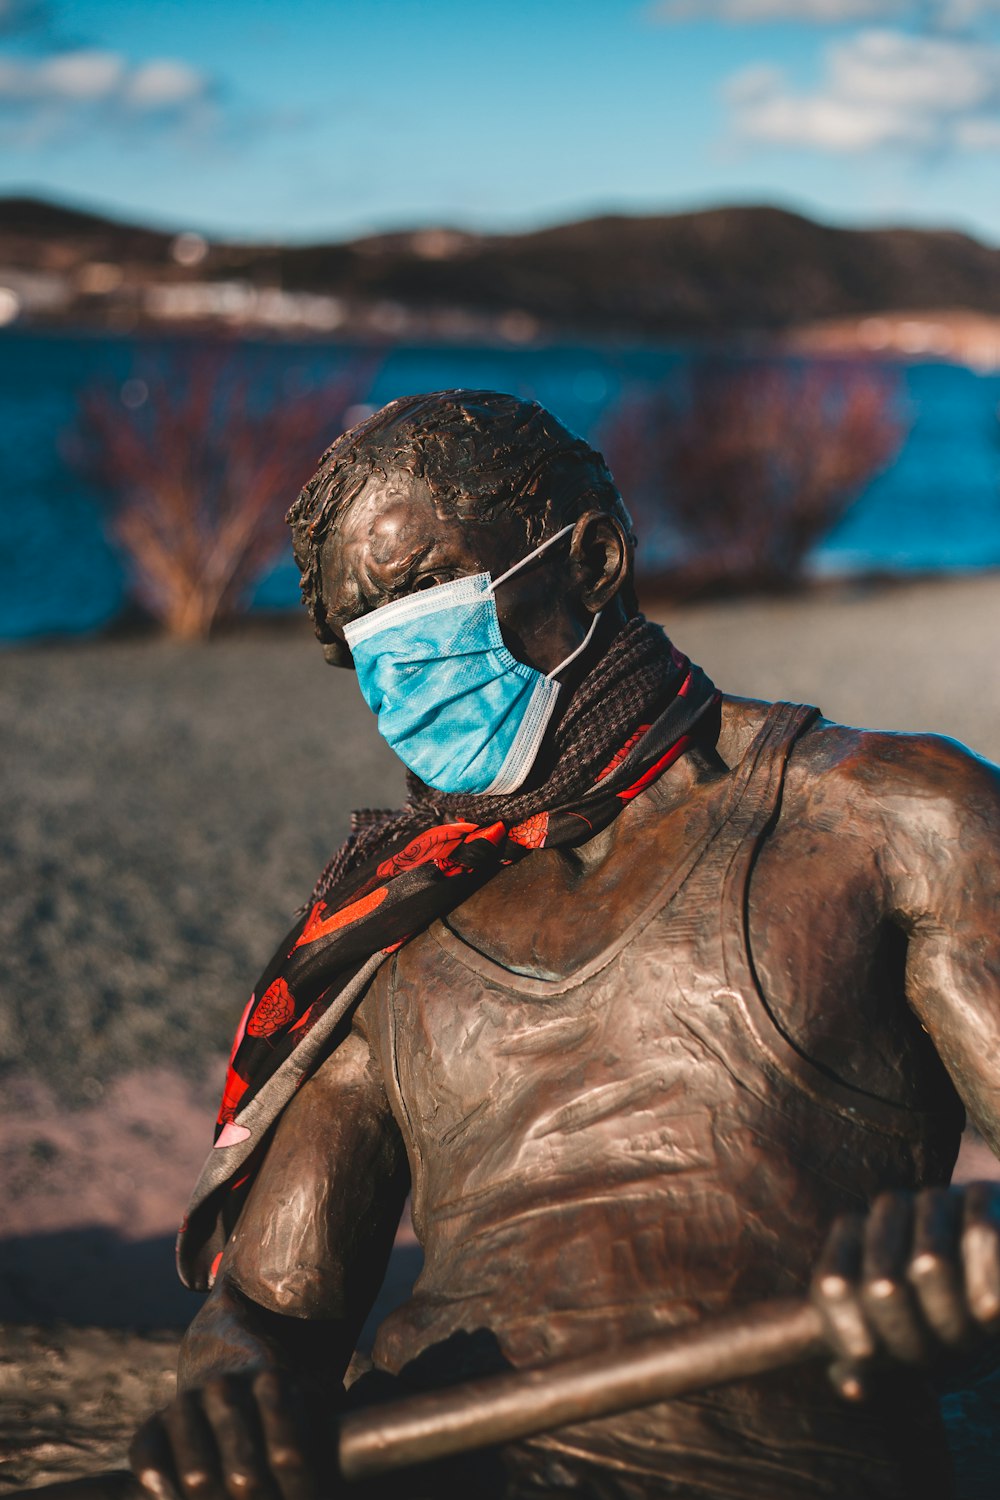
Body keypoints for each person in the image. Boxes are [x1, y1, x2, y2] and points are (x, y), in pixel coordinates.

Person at [131, 390, 1000, 1500]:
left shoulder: (889, 819)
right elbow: (268, 1312)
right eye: (362, 636)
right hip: (423, 1458)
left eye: (419, 592)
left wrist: (956, 1263)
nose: (398, 661)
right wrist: (229, 1395)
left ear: (593, 559)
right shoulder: (399, 930)